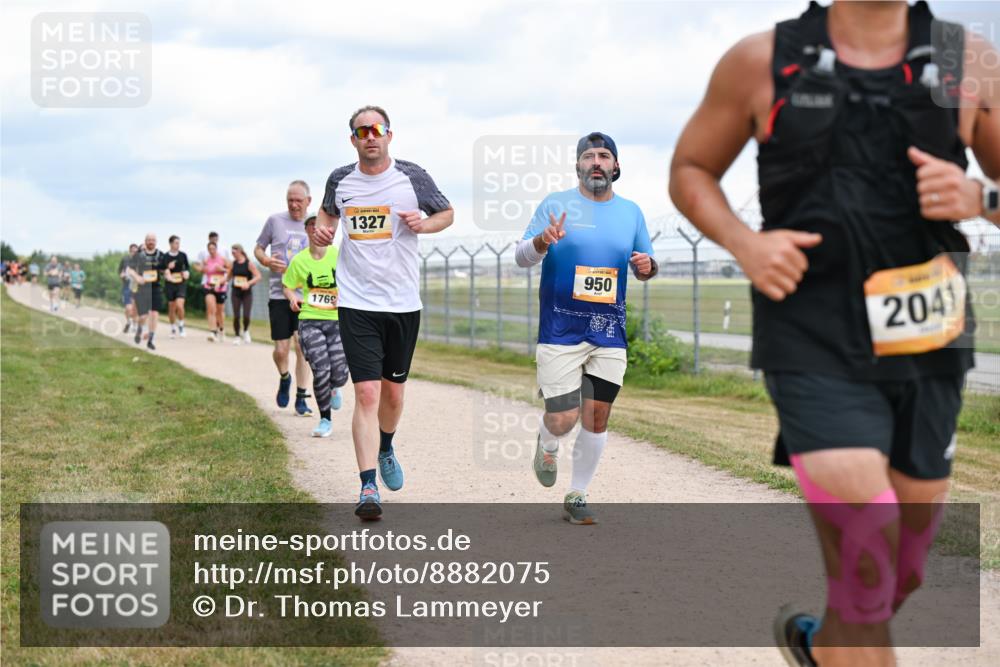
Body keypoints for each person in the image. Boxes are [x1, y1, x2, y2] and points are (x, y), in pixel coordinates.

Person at [668, 2, 1000, 665]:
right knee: (870, 555)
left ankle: (821, 647)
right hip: (810, 330)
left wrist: (979, 198)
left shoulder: (970, 60)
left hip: (928, 337)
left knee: (896, 574)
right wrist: (746, 244)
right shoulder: (760, 60)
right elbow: (689, 169)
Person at [315, 104, 454, 520]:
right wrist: (324, 233)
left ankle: (387, 445)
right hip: (356, 302)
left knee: (393, 393)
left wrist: (423, 224)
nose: (370, 136)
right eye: (362, 131)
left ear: (389, 135)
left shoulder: (412, 177)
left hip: (402, 302)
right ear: (353, 139)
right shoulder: (340, 180)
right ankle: (367, 486)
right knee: (367, 392)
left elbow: (446, 213)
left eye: (378, 129)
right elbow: (327, 219)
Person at [516, 132, 657, 525]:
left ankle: (577, 494)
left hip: (608, 331)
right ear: (577, 165)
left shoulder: (631, 212)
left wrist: (648, 267)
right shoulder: (555, 204)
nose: (597, 162)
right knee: (563, 418)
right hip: (560, 329)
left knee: (597, 416)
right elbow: (521, 257)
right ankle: (547, 442)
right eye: (589, 156)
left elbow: (646, 263)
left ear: (616, 167)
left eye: (605, 156)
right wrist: (543, 240)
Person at [282, 214, 348, 437]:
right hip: (309, 320)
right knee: (321, 370)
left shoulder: (338, 255)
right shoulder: (299, 261)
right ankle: (325, 420)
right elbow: (287, 285)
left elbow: (352, 280)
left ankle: (334, 386)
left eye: (318, 225)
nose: (315, 229)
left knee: (339, 372)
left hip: (337, 321)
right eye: (311, 225)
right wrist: (292, 298)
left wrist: (346, 297)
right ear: (307, 231)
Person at [255, 181, 315, 417]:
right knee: (281, 349)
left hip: (305, 296)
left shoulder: (314, 225)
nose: (293, 204)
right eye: (290, 200)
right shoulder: (275, 221)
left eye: (298, 200)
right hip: (279, 294)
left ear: (308, 201)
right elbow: (258, 249)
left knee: (302, 346)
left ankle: (301, 397)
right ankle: (284, 377)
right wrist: (267, 261)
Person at [125, 234, 165, 350]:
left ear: (156, 242)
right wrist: (137, 277)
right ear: (145, 241)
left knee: (154, 313)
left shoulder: (160, 255)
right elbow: (129, 269)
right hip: (142, 288)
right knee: (143, 316)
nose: (151, 242)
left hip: (156, 287)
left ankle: (151, 339)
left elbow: (164, 269)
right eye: (149, 240)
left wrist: (167, 273)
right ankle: (139, 329)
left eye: (153, 240)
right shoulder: (138, 256)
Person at [228, 243, 262, 345]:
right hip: (235, 292)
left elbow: (258, 276)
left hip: (247, 293)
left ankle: (246, 331)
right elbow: (228, 277)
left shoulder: (249, 264)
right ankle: (237, 336)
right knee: (236, 315)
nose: (233, 254)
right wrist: (219, 282)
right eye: (232, 252)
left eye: (234, 252)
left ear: (240, 251)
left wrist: (248, 283)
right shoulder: (233, 264)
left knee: (246, 315)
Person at [200, 241, 230, 343]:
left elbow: (230, 271)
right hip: (209, 286)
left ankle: (221, 329)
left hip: (221, 287)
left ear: (216, 249)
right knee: (211, 309)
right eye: (210, 249)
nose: (211, 251)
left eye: (213, 249)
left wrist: (221, 269)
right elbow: (202, 270)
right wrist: (203, 269)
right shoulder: (206, 260)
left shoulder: (222, 259)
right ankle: (212, 332)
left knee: (220, 311)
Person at [163, 235, 191, 338]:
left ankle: (181, 325)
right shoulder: (165, 256)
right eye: (175, 243)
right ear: (170, 244)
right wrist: (167, 271)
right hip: (170, 284)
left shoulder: (183, 255)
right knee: (171, 307)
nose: (177, 245)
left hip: (180, 283)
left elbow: (187, 268)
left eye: (179, 243)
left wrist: (186, 273)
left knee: (180, 305)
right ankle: (172, 328)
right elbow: (162, 269)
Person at [118, 244, 139, 333]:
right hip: (126, 285)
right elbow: (120, 271)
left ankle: (134, 324)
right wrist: (121, 275)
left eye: (135, 251)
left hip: (136, 286)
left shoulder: (139, 261)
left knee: (134, 308)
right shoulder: (125, 259)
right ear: (129, 251)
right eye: (132, 251)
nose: (134, 252)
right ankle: (129, 322)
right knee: (128, 308)